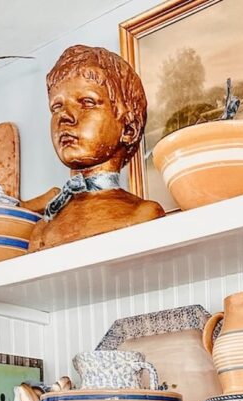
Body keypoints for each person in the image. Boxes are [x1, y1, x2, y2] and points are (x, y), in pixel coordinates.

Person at [29, 45, 163, 251]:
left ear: (129, 129)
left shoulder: (142, 214)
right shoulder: (42, 231)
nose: (64, 116)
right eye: (57, 106)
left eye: (87, 102)